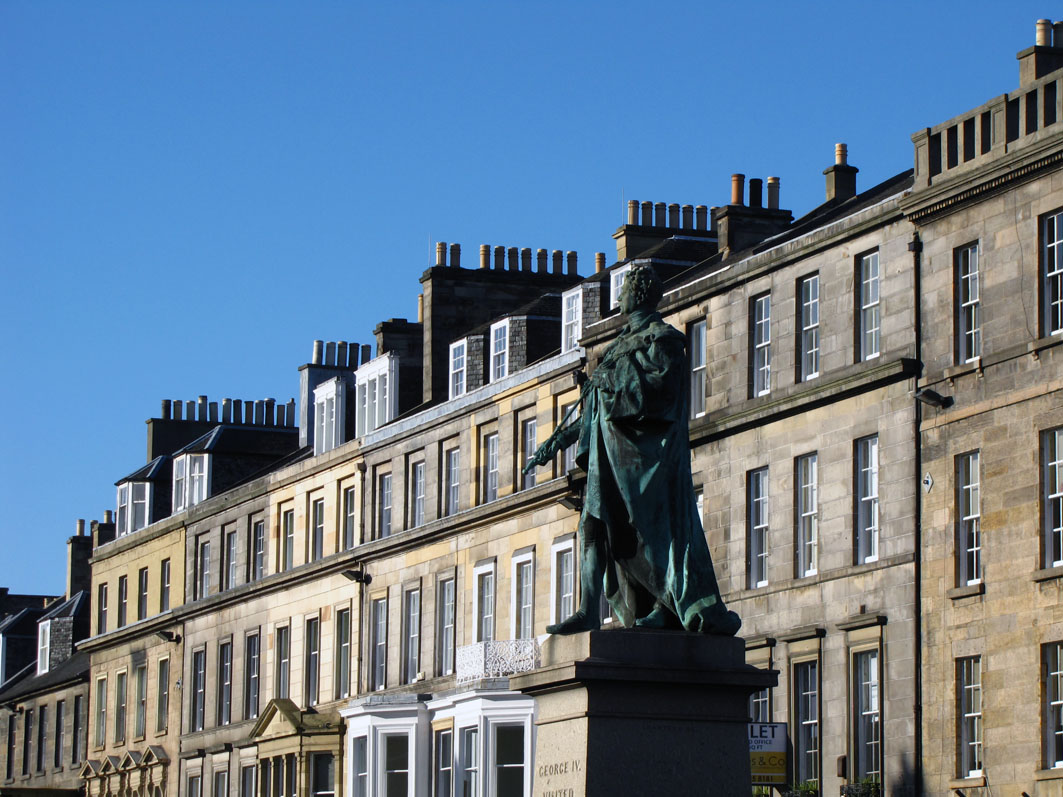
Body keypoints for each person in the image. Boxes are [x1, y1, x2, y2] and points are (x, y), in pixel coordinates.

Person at [525, 264, 740, 635]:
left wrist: (610, 380)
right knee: (592, 525)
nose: (619, 297)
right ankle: (588, 610)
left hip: (647, 459)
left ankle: (664, 606)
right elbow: (595, 411)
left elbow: (660, 393)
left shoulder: (663, 340)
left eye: (624, 290)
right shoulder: (615, 349)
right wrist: (558, 441)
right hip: (608, 457)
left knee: (649, 533)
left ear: (639, 295)